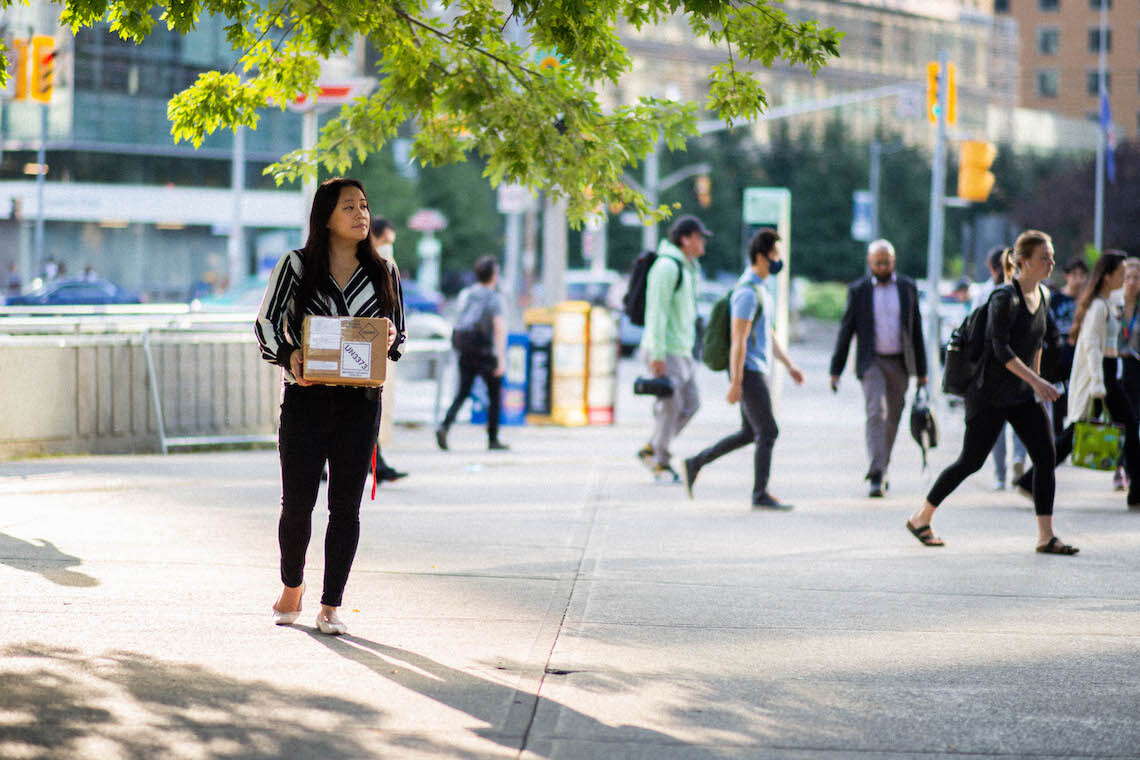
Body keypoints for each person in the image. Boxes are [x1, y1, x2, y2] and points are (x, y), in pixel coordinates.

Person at [255, 177, 403, 635]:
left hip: (360, 405)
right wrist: (289, 355)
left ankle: (331, 604)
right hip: (305, 400)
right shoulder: (296, 266)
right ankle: (292, 587)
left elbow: (398, 334)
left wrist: (390, 340)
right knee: (297, 504)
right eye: (349, 207)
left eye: (364, 205)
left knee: (346, 508)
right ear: (325, 216)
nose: (362, 214)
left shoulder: (384, 271)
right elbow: (265, 324)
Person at [907, 230, 1076, 554]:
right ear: (1024, 262)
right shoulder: (1004, 297)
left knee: (1045, 455)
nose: (1052, 262)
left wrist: (1037, 380)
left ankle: (1045, 536)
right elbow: (1000, 349)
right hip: (989, 393)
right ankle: (921, 518)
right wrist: (1036, 382)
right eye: (1045, 257)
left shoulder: (1043, 295)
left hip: (1021, 392)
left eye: (1052, 256)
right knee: (970, 461)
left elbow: (1038, 341)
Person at [682, 229, 804, 509]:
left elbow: (768, 333)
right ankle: (760, 494)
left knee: (750, 433)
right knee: (769, 431)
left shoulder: (761, 289)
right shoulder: (746, 293)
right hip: (748, 371)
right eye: (775, 256)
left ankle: (695, 462)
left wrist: (789, 365)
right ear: (761, 257)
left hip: (755, 368)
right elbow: (738, 339)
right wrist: (736, 382)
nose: (778, 262)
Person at [1015, 250, 1140, 510]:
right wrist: (1097, 385)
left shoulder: (1105, 303)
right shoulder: (1098, 306)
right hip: (1101, 377)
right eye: (1120, 274)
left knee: (1092, 432)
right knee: (1078, 435)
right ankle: (1030, 480)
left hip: (1105, 375)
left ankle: (1030, 480)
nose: (1123, 278)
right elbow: (1092, 347)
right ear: (1107, 276)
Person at [829, 239, 928, 497]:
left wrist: (923, 371)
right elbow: (846, 330)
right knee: (877, 412)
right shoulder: (859, 290)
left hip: (900, 362)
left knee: (893, 418)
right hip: (871, 361)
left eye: (887, 262)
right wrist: (835, 369)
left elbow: (916, 329)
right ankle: (876, 473)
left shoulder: (907, 287)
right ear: (869, 263)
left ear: (893, 262)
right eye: (878, 262)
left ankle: (882, 466)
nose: (883, 267)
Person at [636, 215, 711, 483]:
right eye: (700, 237)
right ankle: (660, 461)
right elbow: (656, 312)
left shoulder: (688, 268)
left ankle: (652, 447)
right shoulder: (667, 267)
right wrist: (657, 355)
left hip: (683, 350)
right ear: (686, 239)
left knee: (691, 404)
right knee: (671, 406)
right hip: (666, 350)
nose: (703, 243)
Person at [436, 255, 508, 451]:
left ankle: (444, 426)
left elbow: (459, 319)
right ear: (494, 275)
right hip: (485, 351)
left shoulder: (467, 294)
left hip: (466, 349)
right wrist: (501, 358)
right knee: (494, 395)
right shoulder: (494, 298)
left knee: (463, 392)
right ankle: (493, 439)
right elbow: (499, 327)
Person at [973, 246, 1027, 490]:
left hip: (997, 367)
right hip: (1012, 365)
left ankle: (1002, 473)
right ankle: (1015, 462)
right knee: (1013, 421)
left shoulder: (986, 292)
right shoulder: (1019, 291)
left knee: (1001, 424)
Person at [369, 217, 408, 483]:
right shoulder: (374, 265)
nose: (388, 247)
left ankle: (377, 464)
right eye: (387, 241)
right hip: (366, 349)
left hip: (372, 349)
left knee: (368, 411)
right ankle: (377, 465)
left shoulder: (383, 266)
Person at [1048, 256, 1089, 438]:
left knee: (1079, 398)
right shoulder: (1056, 299)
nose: (1078, 278)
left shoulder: (1089, 301)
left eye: (1081, 274)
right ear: (1066, 276)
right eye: (1074, 274)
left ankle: (1073, 438)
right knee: (1058, 398)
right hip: (1059, 355)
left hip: (1080, 355)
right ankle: (1057, 437)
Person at [1115, 258, 1140, 491]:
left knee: (1136, 421)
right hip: (1117, 368)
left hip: (1136, 368)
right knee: (1121, 421)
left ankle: (1131, 470)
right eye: (1128, 278)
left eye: (1136, 278)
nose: (1132, 282)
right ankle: (1120, 468)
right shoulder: (1114, 307)